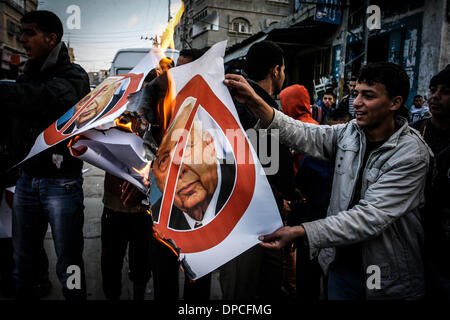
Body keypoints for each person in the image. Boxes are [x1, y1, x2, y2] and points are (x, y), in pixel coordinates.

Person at [224, 61, 431, 300]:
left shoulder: (411, 154)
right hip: (340, 264)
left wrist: (302, 231)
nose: (357, 103)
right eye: (356, 94)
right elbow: (304, 134)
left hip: (384, 272)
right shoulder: (351, 132)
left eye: (369, 96)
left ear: (395, 103)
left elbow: (370, 217)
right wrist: (254, 102)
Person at [0, 11, 90, 299]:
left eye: (29, 33)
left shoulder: (73, 76)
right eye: (22, 32)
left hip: (61, 184)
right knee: (23, 260)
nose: (23, 39)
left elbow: (43, 100)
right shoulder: (27, 73)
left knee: (69, 262)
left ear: (51, 39)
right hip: (26, 182)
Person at [220, 40, 293, 300]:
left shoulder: (265, 106)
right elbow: (241, 167)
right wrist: (278, 197)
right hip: (247, 220)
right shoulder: (245, 107)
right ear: (276, 71)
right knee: (244, 289)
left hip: (265, 219)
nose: (283, 75)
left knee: (265, 286)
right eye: (283, 70)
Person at [412, 64, 450, 298]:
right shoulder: (415, 133)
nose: (435, 96)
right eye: (433, 89)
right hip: (414, 236)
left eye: (445, 91)